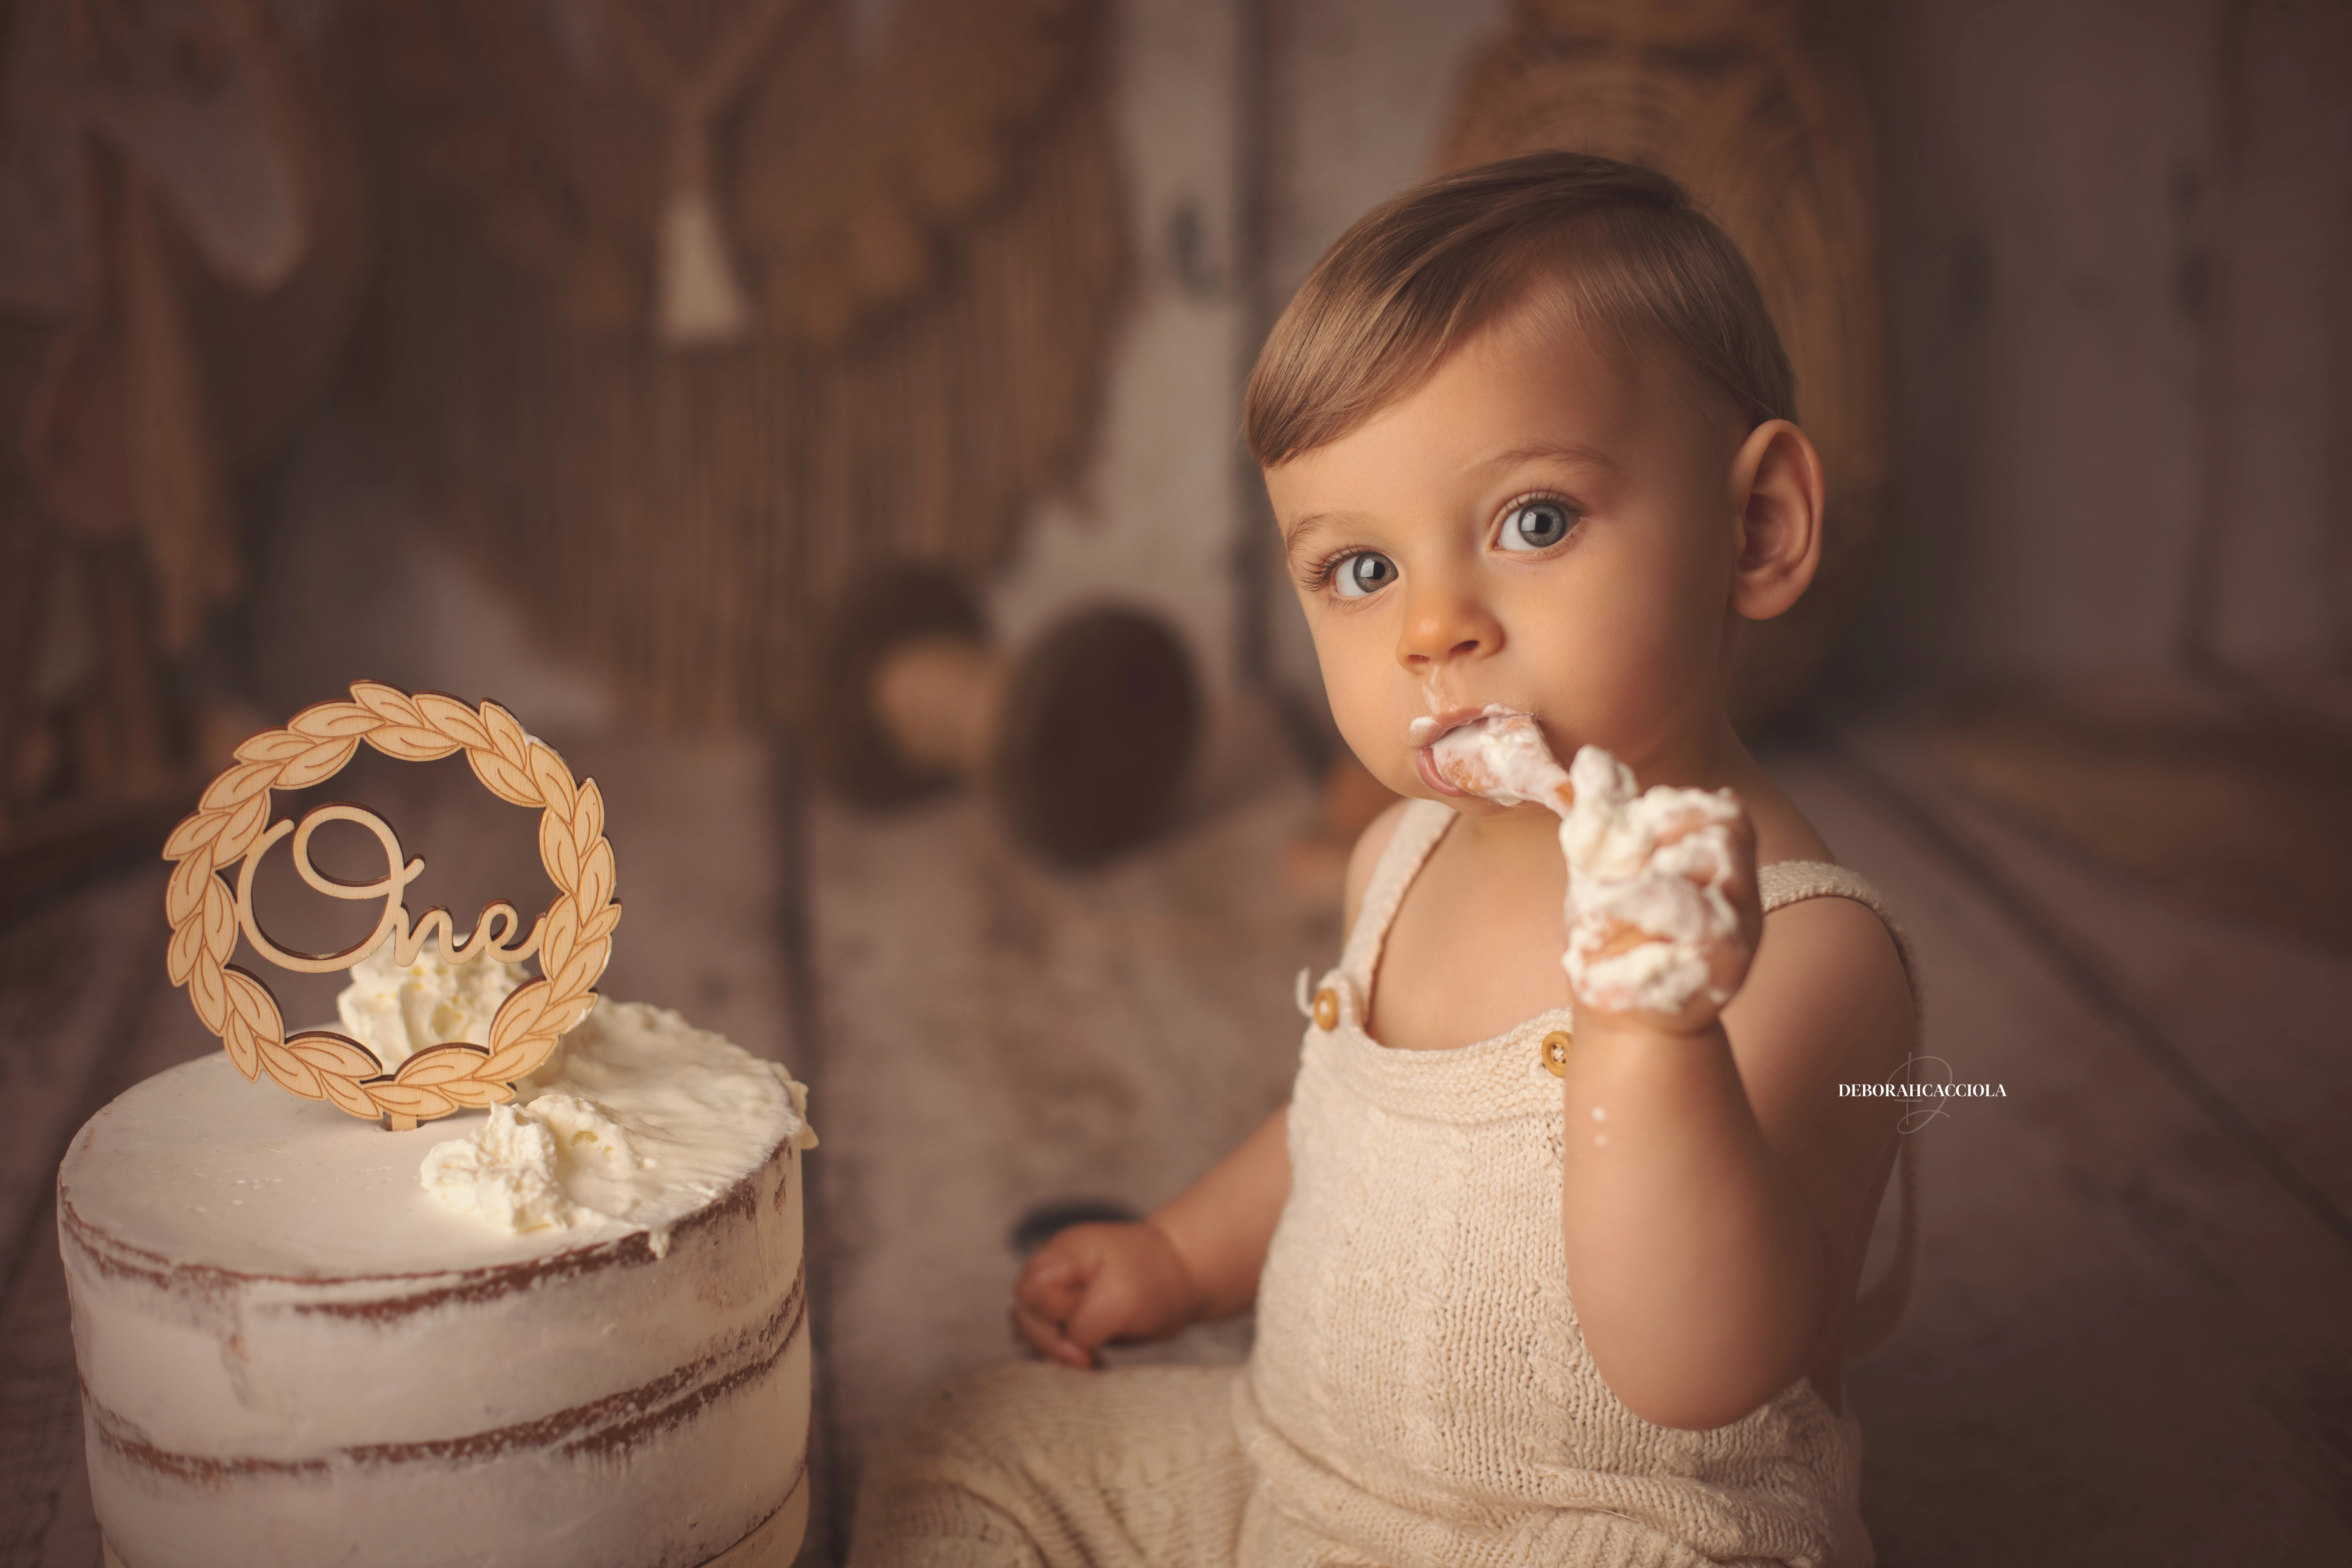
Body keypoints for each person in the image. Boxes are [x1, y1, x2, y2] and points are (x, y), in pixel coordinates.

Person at [851, 150, 1920, 1568]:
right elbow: (1347, 1131)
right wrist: (1178, 1255)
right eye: (1359, 571)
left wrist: (1650, 1031)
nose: (1432, 630)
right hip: (1302, 1478)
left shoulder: (1811, 952)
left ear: (1758, 527)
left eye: (1533, 521)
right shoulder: (1406, 858)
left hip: (1613, 1530)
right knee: (964, 1452)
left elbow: (1699, 1367)